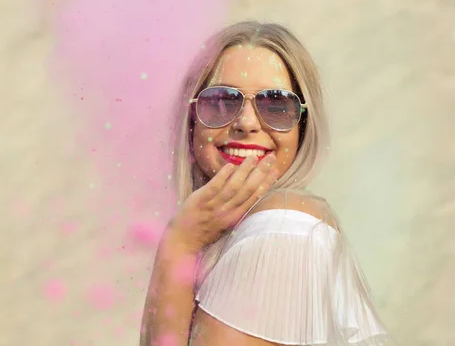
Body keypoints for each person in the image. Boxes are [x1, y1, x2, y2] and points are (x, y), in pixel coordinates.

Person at [140, 21, 389, 345]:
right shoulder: (248, 233)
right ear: (191, 118)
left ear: (302, 126)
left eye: (276, 104)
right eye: (221, 101)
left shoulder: (280, 230)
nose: (246, 123)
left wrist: (179, 245)